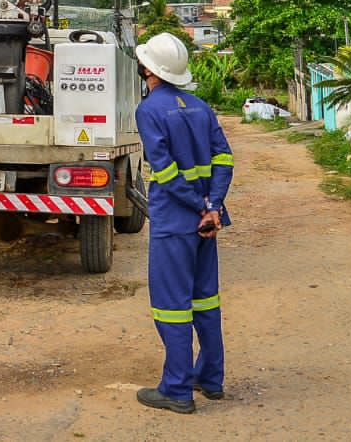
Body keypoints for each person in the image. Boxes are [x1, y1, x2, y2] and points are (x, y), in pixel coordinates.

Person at [132, 31, 234, 415]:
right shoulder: (200, 106)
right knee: (206, 300)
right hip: (206, 219)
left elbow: (167, 170)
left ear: (148, 69)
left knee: (172, 306)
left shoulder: (149, 110)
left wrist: (197, 206)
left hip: (176, 221)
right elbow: (224, 158)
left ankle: (176, 389)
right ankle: (210, 379)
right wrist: (213, 206)